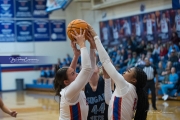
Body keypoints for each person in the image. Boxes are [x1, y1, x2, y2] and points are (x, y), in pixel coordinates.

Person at [88, 25, 149, 120]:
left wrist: (96, 36)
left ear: (134, 80)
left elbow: (106, 61)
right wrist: (107, 78)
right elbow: (109, 100)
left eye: (128, 71)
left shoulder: (126, 86)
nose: (124, 72)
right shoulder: (127, 90)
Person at [53, 29, 93, 120]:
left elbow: (89, 69)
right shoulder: (69, 92)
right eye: (73, 74)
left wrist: (76, 55)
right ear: (66, 82)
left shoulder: (73, 88)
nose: (77, 73)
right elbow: (87, 69)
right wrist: (82, 45)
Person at [84, 32, 113, 120]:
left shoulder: (106, 81)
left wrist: (95, 46)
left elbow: (109, 64)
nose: (91, 66)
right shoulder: (83, 86)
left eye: (93, 64)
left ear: (99, 68)